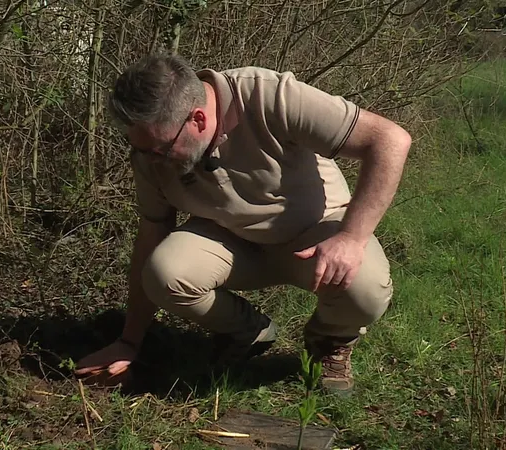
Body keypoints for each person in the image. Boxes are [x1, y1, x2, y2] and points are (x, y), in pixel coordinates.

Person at [74, 53, 411, 392]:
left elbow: (389, 141)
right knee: (164, 272)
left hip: (313, 234)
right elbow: (150, 235)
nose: (149, 160)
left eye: (160, 150)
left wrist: (351, 238)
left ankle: (330, 338)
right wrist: (129, 342)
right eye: (139, 148)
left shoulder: (268, 95)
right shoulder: (151, 151)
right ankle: (248, 330)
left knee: (365, 288)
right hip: (229, 239)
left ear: (199, 120)